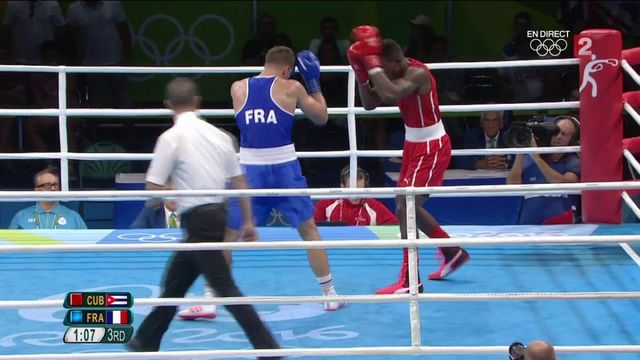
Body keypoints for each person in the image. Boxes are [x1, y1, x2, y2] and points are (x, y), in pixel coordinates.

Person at [127, 78, 281, 359]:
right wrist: (247, 222)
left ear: (168, 106)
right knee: (174, 283)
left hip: (199, 221)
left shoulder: (170, 138)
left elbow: (152, 188)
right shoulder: (221, 136)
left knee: (224, 287)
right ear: (197, 102)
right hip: (216, 216)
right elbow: (240, 182)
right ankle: (145, 340)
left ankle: (268, 347)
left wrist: (172, 188)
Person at [347, 25, 470, 294]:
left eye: (384, 68)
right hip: (413, 144)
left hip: (431, 145)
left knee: (406, 207)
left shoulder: (417, 73)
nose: (384, 74)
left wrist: (372, 66)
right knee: (406, 206)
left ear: (394, 61)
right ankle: (451, 251)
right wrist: (361, 73)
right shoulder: (391, 71)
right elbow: (370, 104)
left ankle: (410, 277)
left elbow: (390, 93)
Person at [231, 45, 345, 311]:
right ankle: (329, 294)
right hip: (284, 167)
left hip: (250, 168)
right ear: (287, 68)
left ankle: (211, 298)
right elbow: (321, 117)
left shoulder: (237, 88)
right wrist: (314, 83)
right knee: (308, 230)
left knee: (228, 233)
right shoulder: (292, 87)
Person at [507, 116, 581, 225]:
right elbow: (512, 185)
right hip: (528, 223)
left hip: (561, 225)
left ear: (572, 140)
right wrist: (520, 151)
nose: (558, 137)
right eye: (556, 132)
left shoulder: (572, 160)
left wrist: (537, 158)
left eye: (564, 134)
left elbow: (566, 184)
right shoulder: (529, 156)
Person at [314, 165, 398, 225]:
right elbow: (310, 225)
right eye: (352, 190)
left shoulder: (373, 205)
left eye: (360, 190)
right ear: (342, 187)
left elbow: (395, 225)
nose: (356, 195)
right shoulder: (327, 203)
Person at [9, 167, 87, 229]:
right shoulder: (21, 216)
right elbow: (8, 245)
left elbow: (87, 245)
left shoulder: (73, 217)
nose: (53, 188)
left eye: (55, 185)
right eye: (48, 185)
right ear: (37, 189)